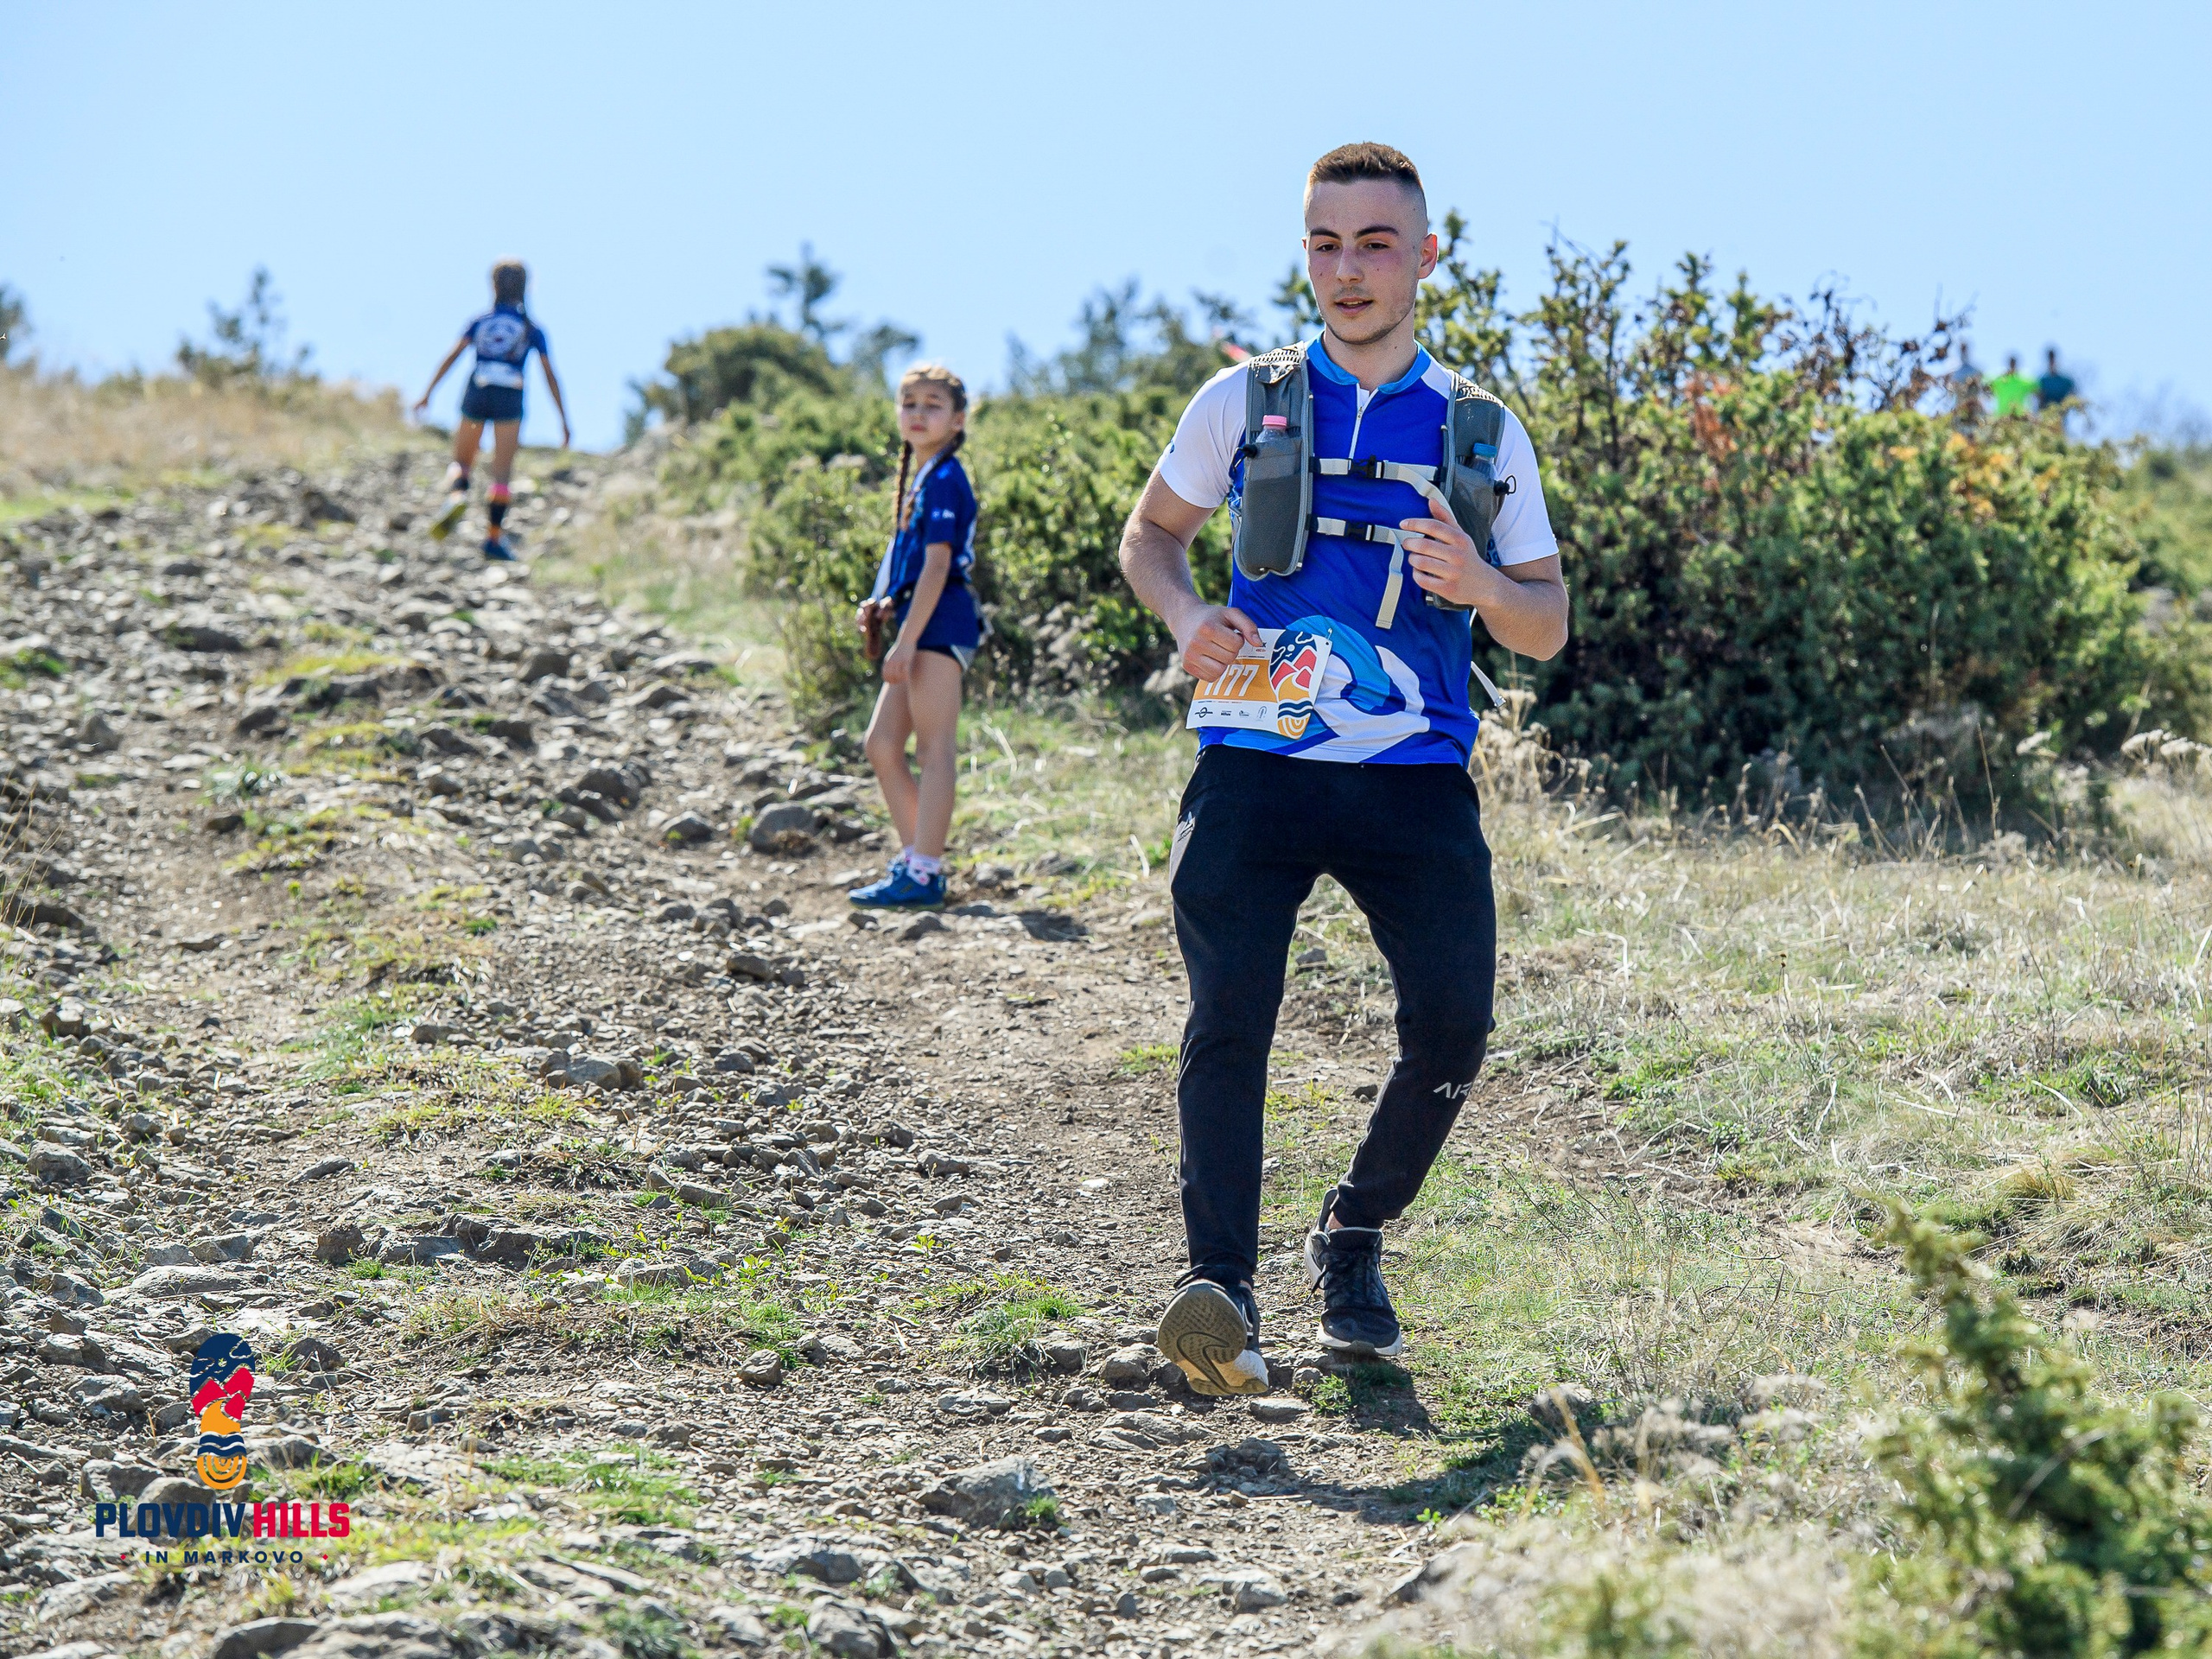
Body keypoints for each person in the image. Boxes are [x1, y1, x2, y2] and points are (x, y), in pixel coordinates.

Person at [1118, 143, 1567, 1394]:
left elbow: (1547, 619)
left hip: (1413, 773)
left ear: (1427, 257)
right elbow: (1151, 539)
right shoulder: (1242, 402)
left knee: (1453, 1029)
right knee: (1230, 1019)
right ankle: (1219, 1292)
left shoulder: (1480, 428)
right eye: (1326, 243)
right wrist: (1182, 616)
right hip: (1253, 756)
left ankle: (1352, 1234)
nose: (1349, 269)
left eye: (1377, 243)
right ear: (1304, 254)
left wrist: (1481, 584)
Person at [848, 364, 980, 911]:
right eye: (909, 403)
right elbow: (909, 561)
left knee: (933, 746)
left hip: (940, 623)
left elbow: (938, 564)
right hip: (917, 622)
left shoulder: (947, 477)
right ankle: (918, 862)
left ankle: (924, 871)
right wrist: (883, 605)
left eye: (932, 404)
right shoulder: (923, 476)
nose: (918, 414)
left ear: (957, 419)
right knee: (881, 745)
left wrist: (906, 642)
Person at [413, 260, 570, 561]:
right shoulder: (531, 329)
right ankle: (494, 539)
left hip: (479, 387)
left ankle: (457, 495)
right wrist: (563, 419)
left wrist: (427, 393)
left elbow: (453, 356)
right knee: (501, 472)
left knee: (462, 460)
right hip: (510, 394)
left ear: (493, 285)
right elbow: (551, 375)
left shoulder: (480, 322)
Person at [1989, 353, 2037, 419]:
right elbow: (1987, 386)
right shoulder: (2000, 381)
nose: (2012, 366)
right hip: (2002, 417)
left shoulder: (2023, 381)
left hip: (2019, 417)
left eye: (2013, 363)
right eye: (2011, 363)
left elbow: (2037, 389)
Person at [2037, 347, 2077, 420]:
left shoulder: (2065, 380)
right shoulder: (2043, 380)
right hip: (2046, 416)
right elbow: (2039, 397)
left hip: (2061, 415)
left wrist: (2067, 405)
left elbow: (2073, 393)